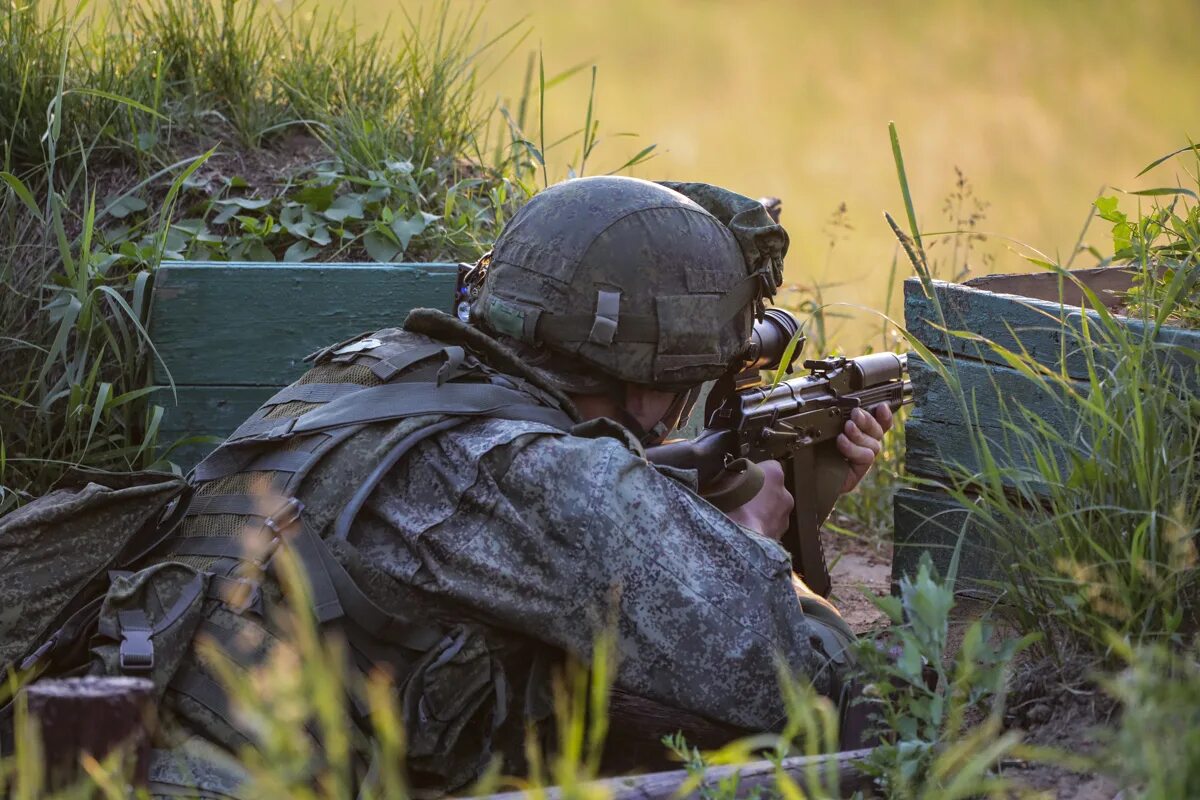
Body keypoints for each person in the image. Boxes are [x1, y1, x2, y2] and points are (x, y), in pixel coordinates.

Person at [92, 176, 893, 797]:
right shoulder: (552, 483)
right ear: (648, 382)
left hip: (107, 755)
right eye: (685, 389)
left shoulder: (373, 368)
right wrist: (755, 543)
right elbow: (801, 677)